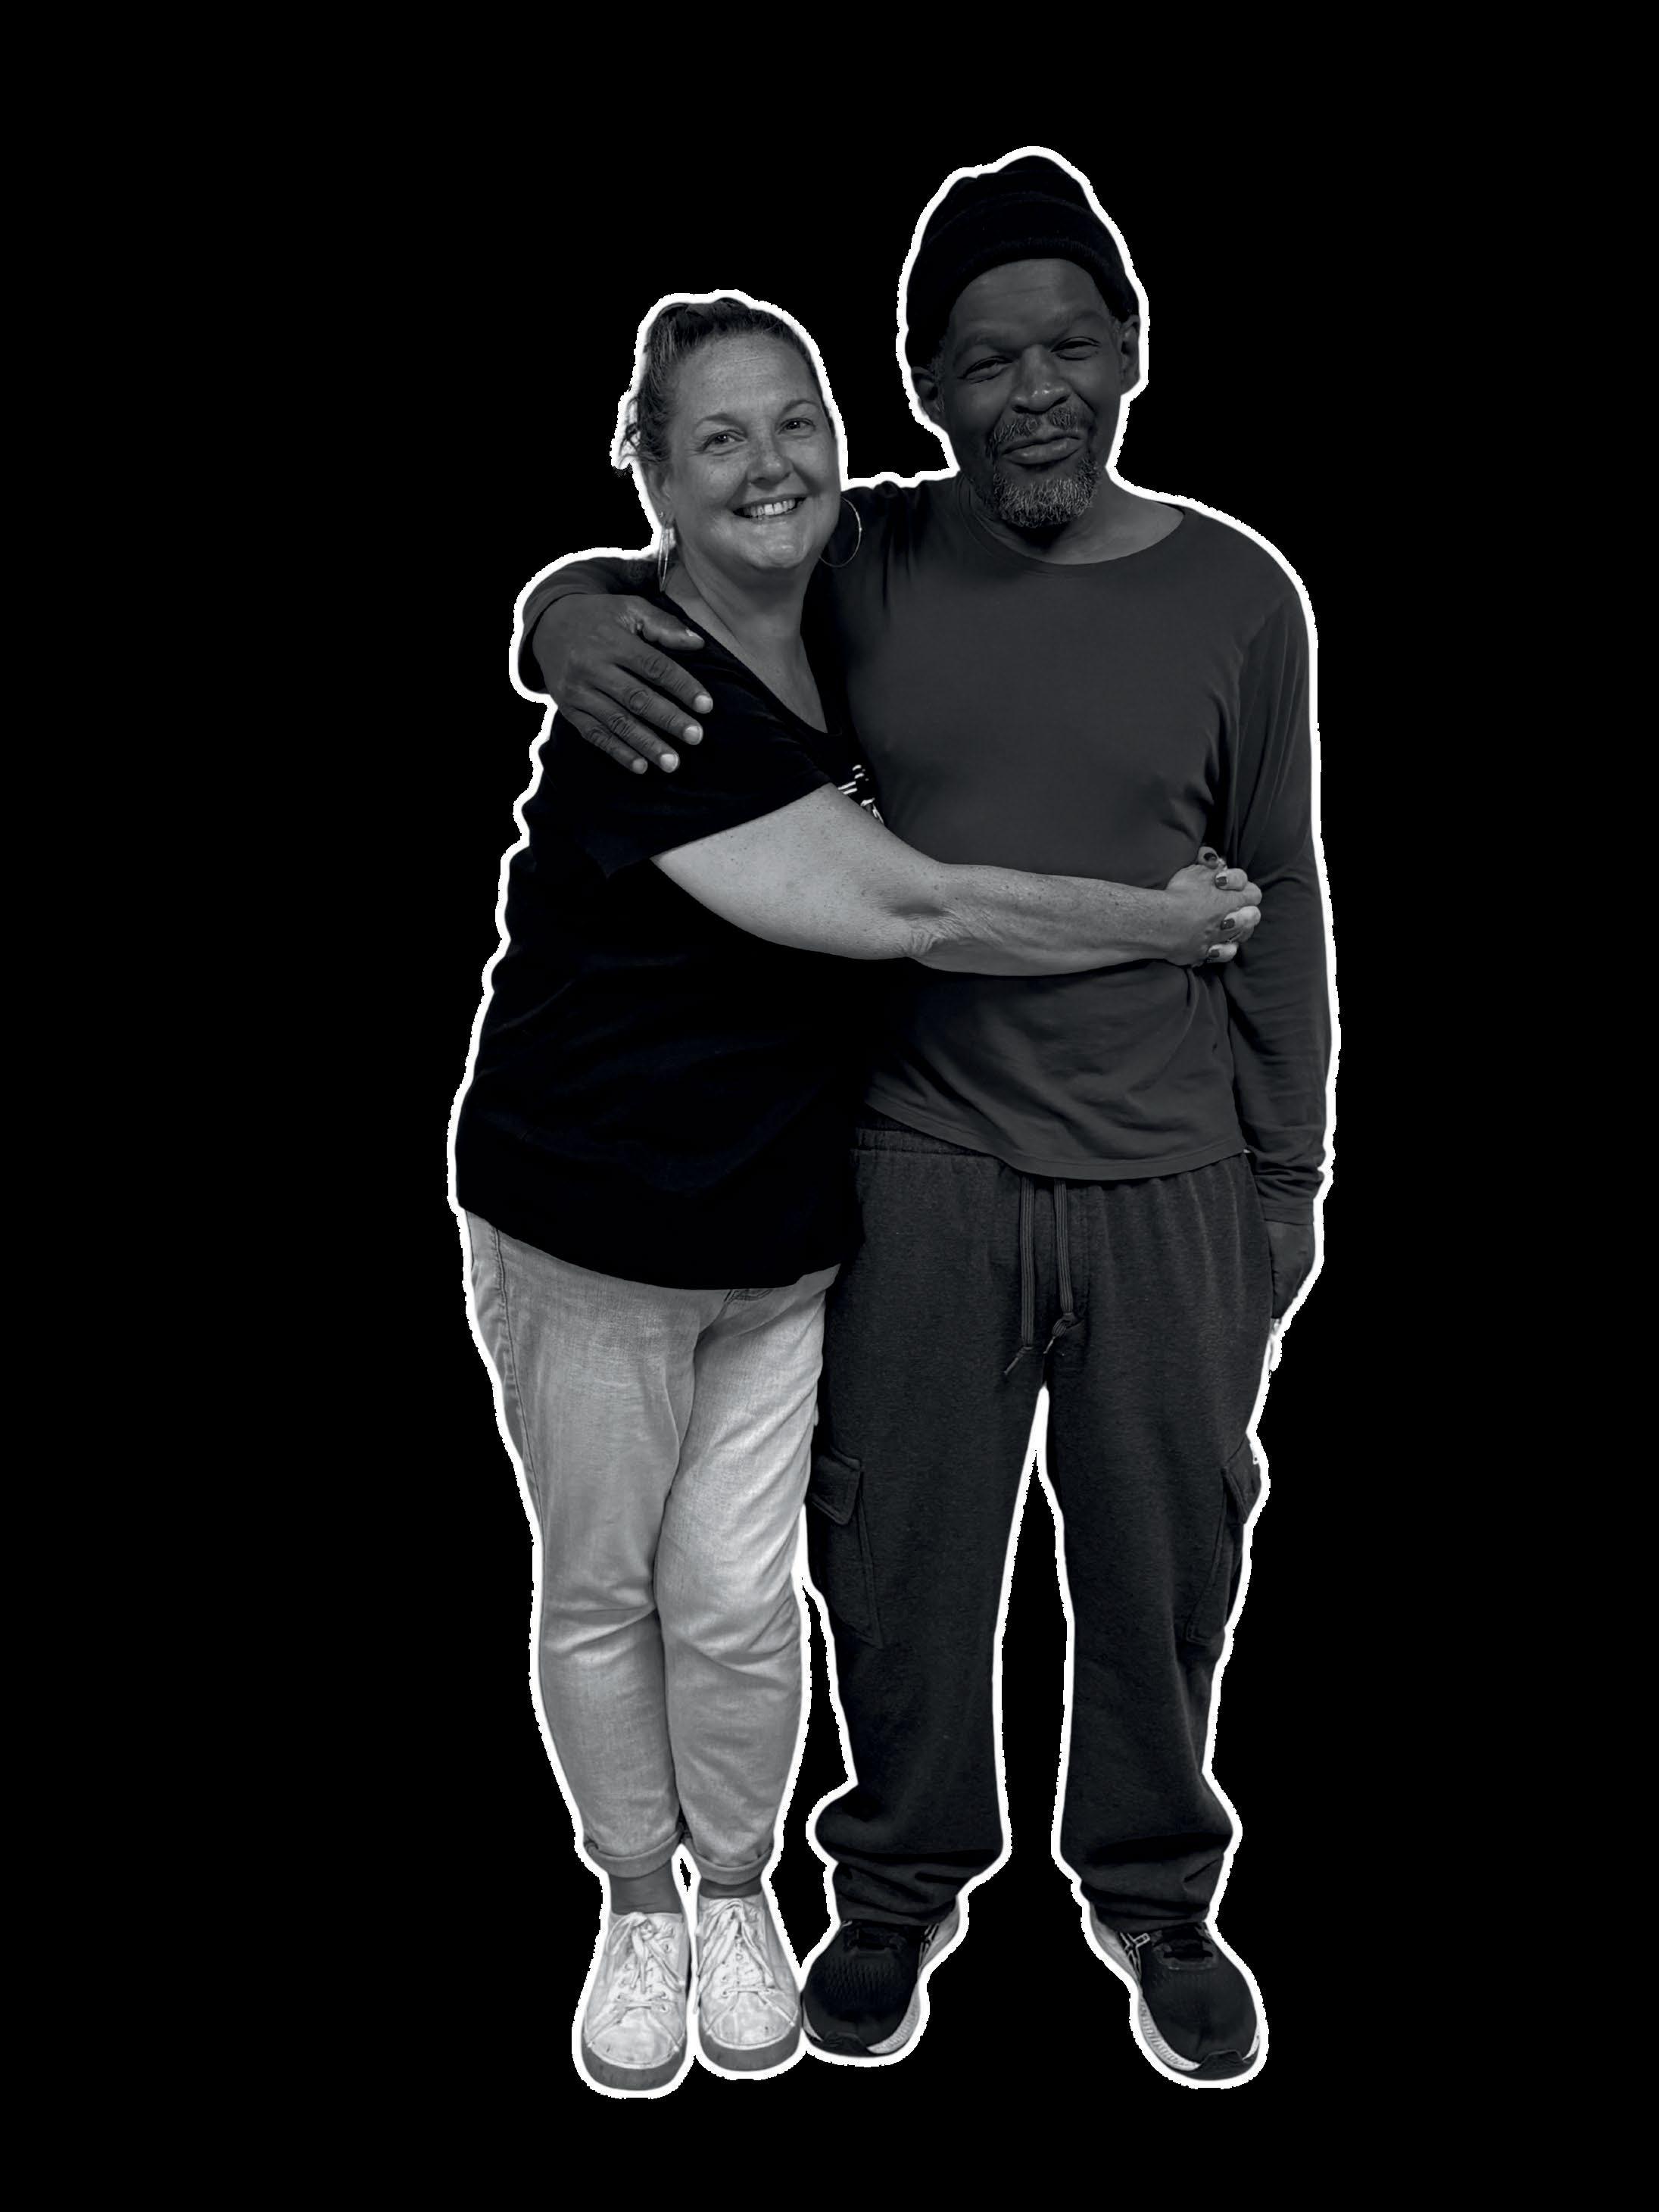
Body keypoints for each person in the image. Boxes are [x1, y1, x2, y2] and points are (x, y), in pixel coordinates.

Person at [521, 151, 1333, 2088]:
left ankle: (1155, 1893)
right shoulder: (871, 553)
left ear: (1131, 350)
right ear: (924, 384)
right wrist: (555, 611)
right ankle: (891, 1888)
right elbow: (697, 558)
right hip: (919, 1158)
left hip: (1168, 1169)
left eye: (1069, 346)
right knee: (892, 1563)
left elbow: (1282, 887)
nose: (1033, 391)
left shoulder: (1241, 593)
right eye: (983, 360)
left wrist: (1286, 1167)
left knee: (1166, 1560)